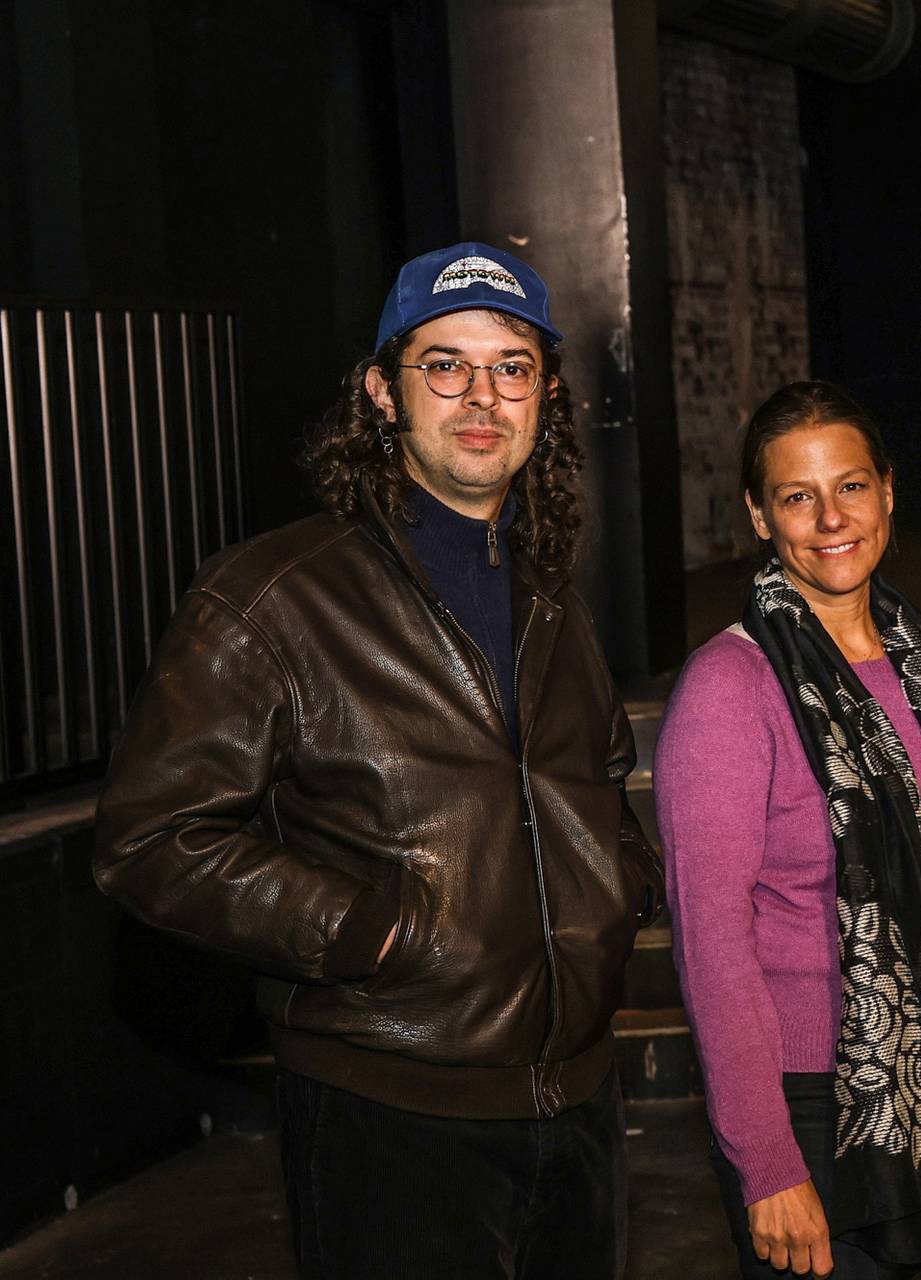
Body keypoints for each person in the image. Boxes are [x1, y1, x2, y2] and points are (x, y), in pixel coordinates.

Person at [93, 243, 659, 1277]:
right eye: (445, 364)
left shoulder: (548, 594)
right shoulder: (272, 597)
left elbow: (599, 787)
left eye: (511, 365)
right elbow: (152, 840)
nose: (481, 394)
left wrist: (619, 889)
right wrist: (369, 925)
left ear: (545, 395)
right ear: (382, 393)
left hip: (576, 1099)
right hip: (391, 1109)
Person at [657, 382, 921, 1279]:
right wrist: (766, 1163)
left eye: (849, 486)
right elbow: (712, 947)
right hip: (820, 1108)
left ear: (888, 491)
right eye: (796, 497)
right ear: (759, 517)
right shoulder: (730, 689)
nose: (828, 518)